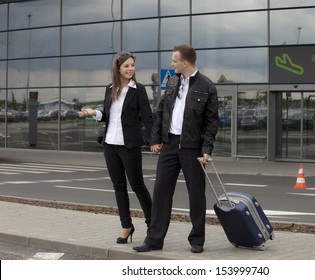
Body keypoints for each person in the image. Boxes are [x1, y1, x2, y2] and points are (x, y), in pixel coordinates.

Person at [133, 44, 219, 254]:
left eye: (174, 60)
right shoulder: (172, 81)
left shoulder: (207, 86)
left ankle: (197, 240)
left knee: (196, 195)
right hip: (170, 145)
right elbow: (161, 110)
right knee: (161, 192)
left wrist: (206, 149)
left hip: (193, 148)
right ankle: (154, 240)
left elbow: (211, 123)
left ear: (185, 62)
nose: (171, 63)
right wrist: (155, 139)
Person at [78, 51, 153, 244]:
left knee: (137, 186)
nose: (130, 69)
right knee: (119, 187)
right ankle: (126, 226)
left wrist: (153, 140)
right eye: (126, 66)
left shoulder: (139, 90)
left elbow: (147, 117)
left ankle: (153, 225)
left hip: (130, 146)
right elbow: (108, 115)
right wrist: (93, 112)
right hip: (110, 145)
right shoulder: (110, 88)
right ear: (118, 68)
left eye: (132, 66)